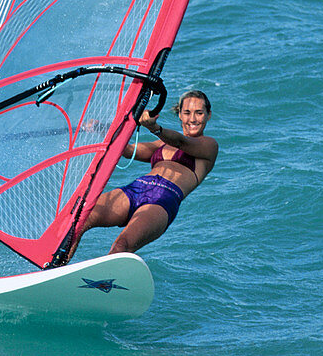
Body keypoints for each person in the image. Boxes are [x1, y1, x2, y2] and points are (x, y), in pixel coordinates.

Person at [73, 90, 217, 256]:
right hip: (136, 189)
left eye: (199, 113)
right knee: (79, 218)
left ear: (208, 115)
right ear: (179, 115)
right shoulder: (161, 144)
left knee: (121, 246)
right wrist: (100, 129)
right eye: (187, 113)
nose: (192, 119)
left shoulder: (209, 146)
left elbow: (180, 141)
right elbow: (127, 150)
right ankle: (53, 268)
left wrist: (154, 127)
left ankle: (104, 282)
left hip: (162, 200)